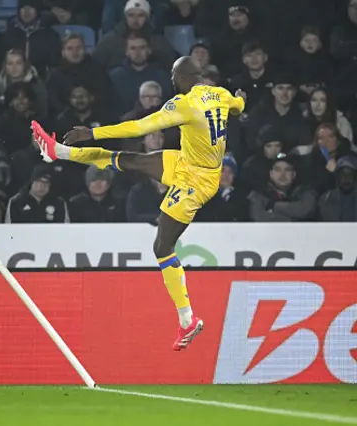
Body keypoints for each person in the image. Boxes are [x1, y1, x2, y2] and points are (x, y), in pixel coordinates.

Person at [32, 56, 246, 351]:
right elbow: (238, 104)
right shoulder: (219, 94)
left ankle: (187, 319)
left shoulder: (184, 104)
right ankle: (58, 151)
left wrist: (91, 133)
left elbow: (138, 128)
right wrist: (241, 100)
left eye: (173, 77)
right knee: (130, 160)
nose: (172, 83)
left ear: (184, 78)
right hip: (188, 162)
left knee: (162, 247)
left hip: (198, 182)